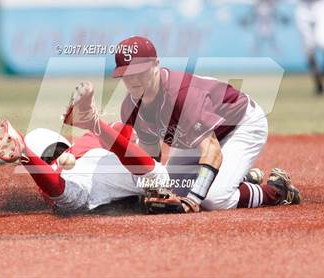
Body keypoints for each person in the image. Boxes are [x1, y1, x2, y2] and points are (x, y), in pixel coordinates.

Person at [101, 35, 301, 214]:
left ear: (155, 64)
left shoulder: (182, 95)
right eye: (127, 74)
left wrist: (193, 200)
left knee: (214, 199)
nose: (133, 80)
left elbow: (212, 150)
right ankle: (238, 177)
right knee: (171, 187)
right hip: (195, 137)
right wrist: (151, 188)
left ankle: (277, 191)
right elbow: (151, 154)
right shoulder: (130, 106)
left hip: (240, 125)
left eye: (139, 71)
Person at [0, 100, 171, 213]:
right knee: (158, 178)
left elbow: (54, 191)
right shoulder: (86, 143)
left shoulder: (57, 167)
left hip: (82, 185)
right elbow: (122, 132)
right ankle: (93, 123)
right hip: (113, 171)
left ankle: (26, 155)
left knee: (68, 202)